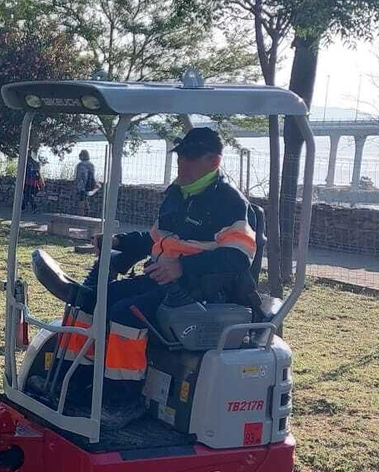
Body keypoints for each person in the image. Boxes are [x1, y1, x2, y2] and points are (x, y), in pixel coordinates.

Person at [61, 127, 257, 425]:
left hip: (200, 290)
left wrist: (182, 267)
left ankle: (122, 401)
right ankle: (75, 382)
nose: (182, 162)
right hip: (161, 280)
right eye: (181, 155)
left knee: (126, 314)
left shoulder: (230, 203)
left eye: (191, 157)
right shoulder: (177, 196)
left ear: (214, 161)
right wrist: (119, 241)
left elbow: (238, 257)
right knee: (91, 300)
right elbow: (154, 239)